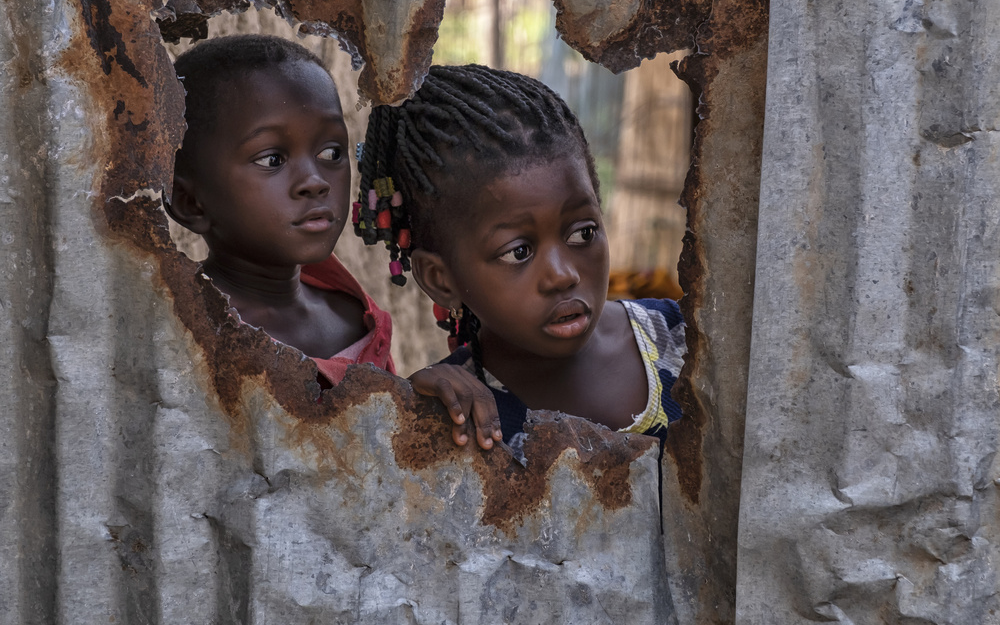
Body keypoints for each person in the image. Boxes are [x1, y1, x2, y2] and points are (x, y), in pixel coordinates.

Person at [355, 64, 685, 459]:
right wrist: (411, 413)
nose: (563, 275)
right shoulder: (463, 418)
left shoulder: (684, 340)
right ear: (441, 279)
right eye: (518, 252)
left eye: (582, 233)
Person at [166, 33, 391, 388]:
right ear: (189, 203)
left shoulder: (356, 319)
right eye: (272, 159)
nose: (315, 181)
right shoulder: (182, 332)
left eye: (331, 153)